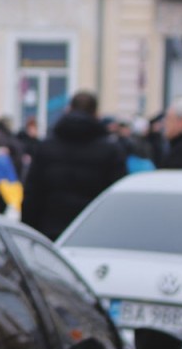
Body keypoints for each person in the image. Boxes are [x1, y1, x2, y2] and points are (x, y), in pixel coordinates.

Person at [19, 91, 128, 240]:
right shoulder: (111, 150)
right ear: (96, 114)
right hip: (94, 233)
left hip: (50, 232)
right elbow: (117, 198)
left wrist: (29, 232)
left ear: (68, 109)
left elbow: (32, 193)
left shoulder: (47, 147)